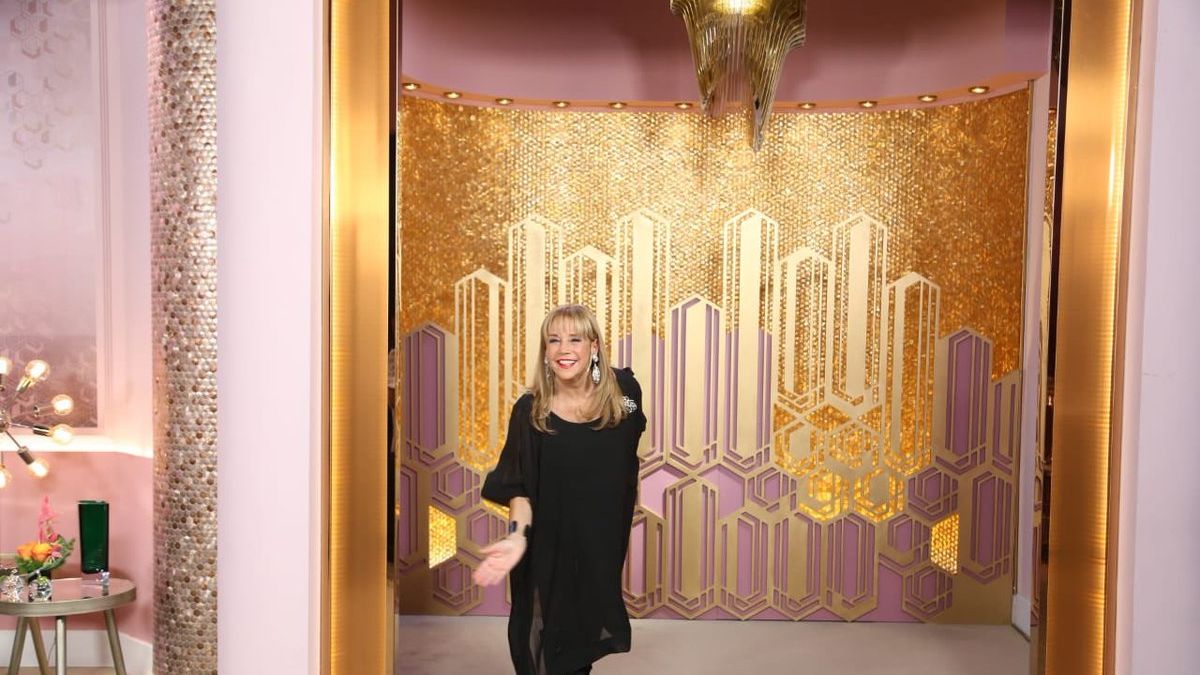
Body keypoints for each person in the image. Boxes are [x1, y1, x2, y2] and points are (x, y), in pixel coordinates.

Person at [475, 304, 646, 675]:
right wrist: (517, 536)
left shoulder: (625, 398)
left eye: (575, 339)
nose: (563, 349)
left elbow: (628, 448)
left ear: (594, 346)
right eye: (553, 340)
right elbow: (519, 486)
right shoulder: (531, 412)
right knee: (535, 645)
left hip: (597, 548)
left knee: (579, 645)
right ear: (545, 350)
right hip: (547, 548)